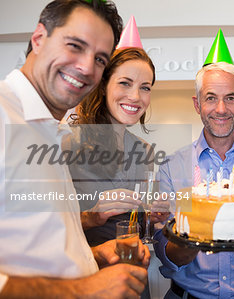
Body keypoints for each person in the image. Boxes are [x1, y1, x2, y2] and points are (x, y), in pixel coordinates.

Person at [0, 1, 150, 298]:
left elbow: (41, 247)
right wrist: (82, 289)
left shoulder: (52, 130)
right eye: (75, 45)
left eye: (99, 59)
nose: (85, 67)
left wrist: (91, 255)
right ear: (39, 38)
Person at [153, 61, 234, 298]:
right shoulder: (172, 166)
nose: (221, 109)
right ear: (197, 104)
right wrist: (197, 227)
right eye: (211, 98)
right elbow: (166, 251)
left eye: (231, 98)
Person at [68, 46, 169, 246]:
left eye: (145, 87)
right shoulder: (68, 142)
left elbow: (140, 223)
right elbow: (43, 228)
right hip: (85, 271)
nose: (135, 96)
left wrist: (154, 216)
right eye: (124, 83)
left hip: (134, 270)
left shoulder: (144, 150)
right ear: (102, 85)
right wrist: (90, 217)